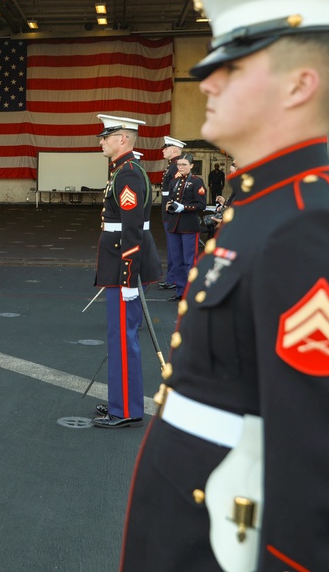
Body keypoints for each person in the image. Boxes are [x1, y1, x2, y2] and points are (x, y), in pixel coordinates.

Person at [120, 0, 329, 572]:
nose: (205, 81)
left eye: (232, 65)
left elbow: (322, 491)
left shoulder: (316, 230)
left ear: (298, 86)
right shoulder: (266, 205)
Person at [91, 114, 162, 429]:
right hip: (120, 267)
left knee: (122, 339)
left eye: (105, 135)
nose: (101, 141)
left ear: (122, 138)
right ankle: (120, 402)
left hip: (124, 270)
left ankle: (126, 410)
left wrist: (128, 278)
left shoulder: (128, 174)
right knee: (118, 337)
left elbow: (132, 231)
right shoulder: (123, 171)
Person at [163, 153, 207, 300]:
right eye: (179, 165)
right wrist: (170, 205)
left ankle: (192, 293)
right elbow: (170, 198)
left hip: (189, 225)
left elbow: (201, 205)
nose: (181, 167)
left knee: (190, 261)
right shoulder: (174, 182)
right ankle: (181, 292)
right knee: (177, 260)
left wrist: (184, 207)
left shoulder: (196, 182)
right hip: (174, 225)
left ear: (191, 166)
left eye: (184, 165)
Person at [157, 136, 185, 291]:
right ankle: (172, 277)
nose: (163, 150)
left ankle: (173, 278)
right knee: (172, 246)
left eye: (166, 148)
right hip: (167, 209)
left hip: (170, 211)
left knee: (174, 247)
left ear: (174, 150)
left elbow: (175, 190)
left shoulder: (176, 166)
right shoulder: (172, 165)